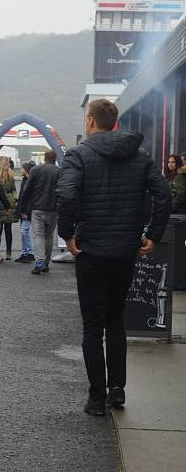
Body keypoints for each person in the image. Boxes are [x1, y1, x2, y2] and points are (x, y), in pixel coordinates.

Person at [57, 99, 170, 416]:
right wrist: (153, 233)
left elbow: (66, 195)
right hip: (125, 250)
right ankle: (117, 388)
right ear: (114, 121)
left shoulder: (79, 155)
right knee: (115, 319)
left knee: (92, 325)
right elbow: (162, 193)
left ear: (91, 121)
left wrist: (68, 234)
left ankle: (96, 397)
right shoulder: (140, 155)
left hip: (91, 249)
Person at [17, 150, 59, 274]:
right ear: (55, 159)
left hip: (38, 208)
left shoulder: (36, 170)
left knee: (38, 235)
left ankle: (40, 261)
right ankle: (46, 262)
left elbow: (27, 189)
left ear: (45, 158)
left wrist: (23, 208)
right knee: (49, 236)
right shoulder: (60, 171)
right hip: (53, 208)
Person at [0, 156, 18, 259]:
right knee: (8, 229)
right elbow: (13, 189)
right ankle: (8, 252)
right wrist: (14, 200)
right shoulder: (10, 173)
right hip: (9, 201)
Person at [14, 161, 36, 263]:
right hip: (23, 210)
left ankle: (29, 253)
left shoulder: (30, 181)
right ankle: (25, 253)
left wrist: (26, 211)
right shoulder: (25, 180)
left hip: (27, 211)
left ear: (26, 169)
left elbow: (30, 198)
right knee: (24, 231)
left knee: (24, 231)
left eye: (22, 168)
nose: (20, 170)